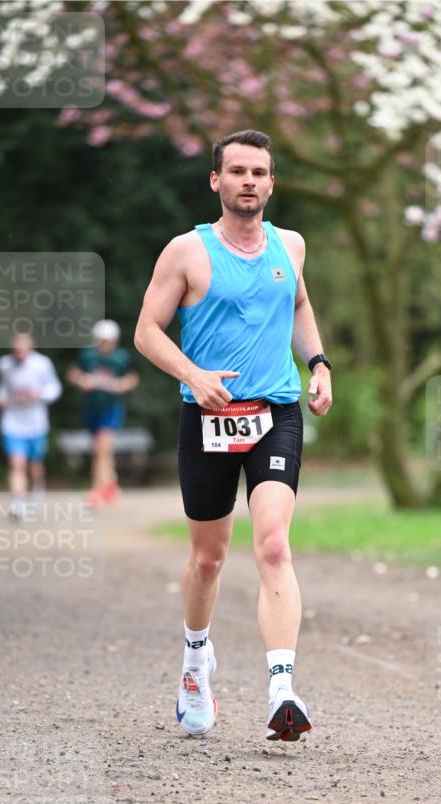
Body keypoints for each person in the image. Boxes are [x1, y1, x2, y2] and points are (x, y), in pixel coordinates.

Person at [134, 129, 333, 742]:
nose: (249, 181)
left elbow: (298, 305)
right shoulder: (186, 253)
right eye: (237, 171)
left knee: (273, 545)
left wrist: (319, 364)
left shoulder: (290, 245)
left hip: (275, 412)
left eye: (260, 172)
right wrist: (192, 375)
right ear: (216, 181)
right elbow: (147, 331)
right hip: (208, 419)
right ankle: (197, 660)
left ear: (272, 183)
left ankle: (281, 689)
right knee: (208, 556)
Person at [67, 319, 139, 507]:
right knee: (100, 451)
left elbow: (132, 378)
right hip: (91, 408)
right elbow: (73, 374)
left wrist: (120, 386)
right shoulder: (88, 356)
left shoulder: (121, 357)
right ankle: (110, 484)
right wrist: (83, 380)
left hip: (111, 408)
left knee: (102, 449)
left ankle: (96, 492)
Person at [0, 331, 62, 519]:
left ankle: (37, 489)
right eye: (16, 350)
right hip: (12, 423)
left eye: (23, 350)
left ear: (30, 348)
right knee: (17, 463)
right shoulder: (4, 365)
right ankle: (17, 505)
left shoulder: (42, 364)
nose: (19, 353)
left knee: (34, 465)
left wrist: (39, 394)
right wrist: (0, 399)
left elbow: (55, 389)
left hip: (36, 424)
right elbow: (0, 390)